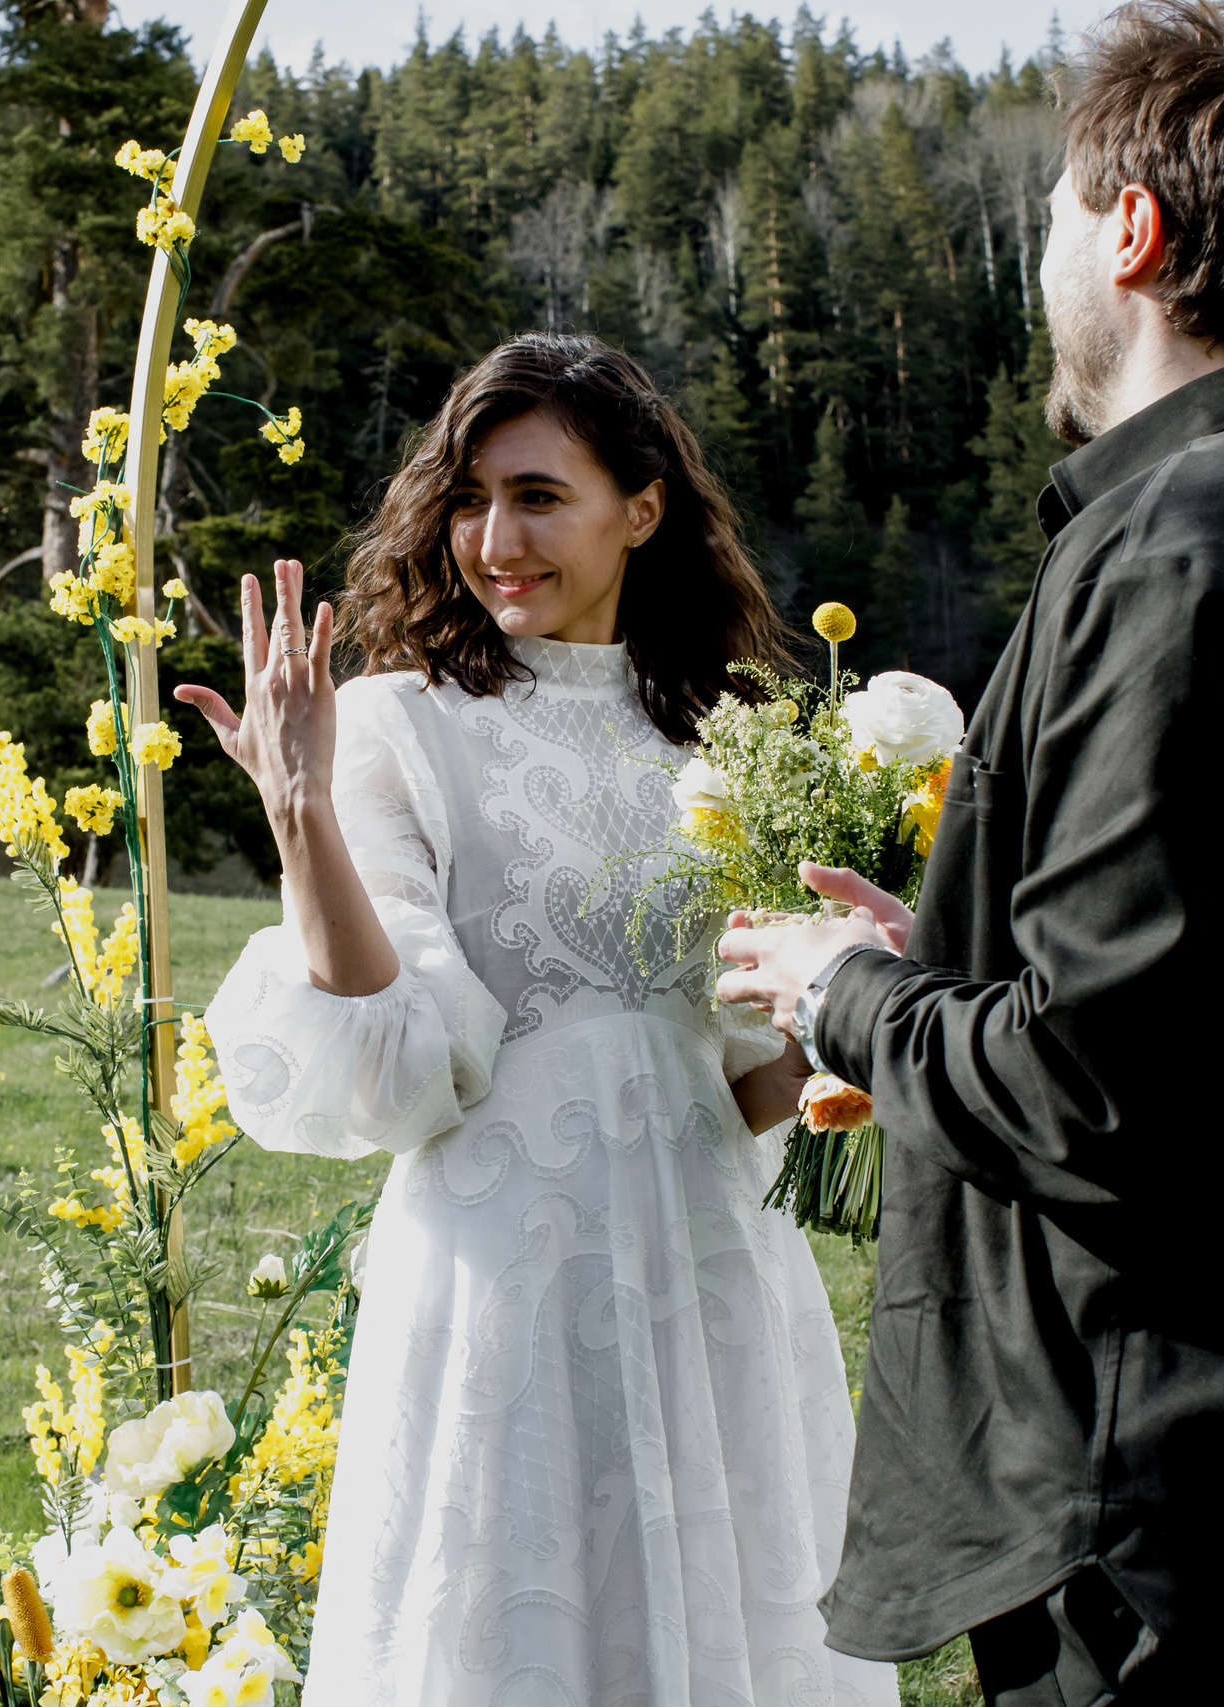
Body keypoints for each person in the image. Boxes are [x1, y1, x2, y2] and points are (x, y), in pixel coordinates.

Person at [717, 4, 1224, 1702]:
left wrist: (849, 994)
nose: (1051, 264)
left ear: (1136, 234)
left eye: (1066, 219)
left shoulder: (1185, 553)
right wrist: (941, 963)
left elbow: (1107, 1090)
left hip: (1161, 1517)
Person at [180, 334, 900, 1707]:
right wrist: (299, 808)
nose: (493, 539)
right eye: (468, 499)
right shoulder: (396, 726)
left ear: (643, 509)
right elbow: (404, 1068)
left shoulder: (726, 746)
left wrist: (847, 1004)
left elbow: (741, 1079)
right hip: (498, 1273)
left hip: (705, 1266)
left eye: (536, 497)